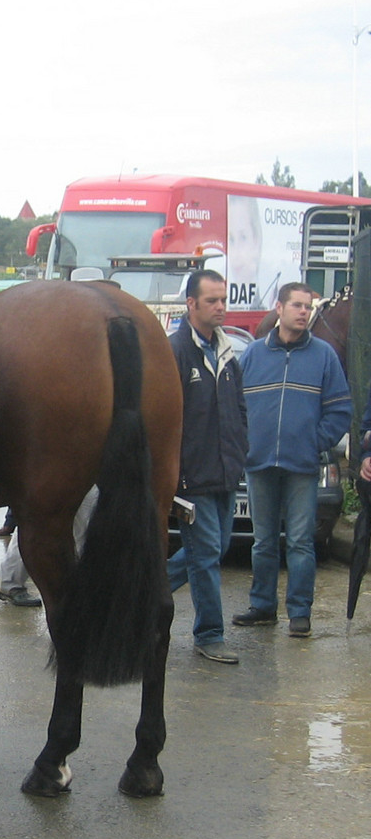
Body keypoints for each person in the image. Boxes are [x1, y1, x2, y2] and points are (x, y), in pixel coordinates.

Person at [234, 282, 351, 638]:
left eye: (308, 307)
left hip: (302, 467)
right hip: (259, 464)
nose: (304, 312)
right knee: (264, 541)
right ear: (279, 308)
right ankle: (263, 606)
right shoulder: (252, 356)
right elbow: (235, 408)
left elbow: (339, 410)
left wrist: (313, 443)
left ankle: (300, 613)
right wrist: (247, 444)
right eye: (297, 305)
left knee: (301, 541)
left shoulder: (324, 357)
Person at [166, 269, 248, 663]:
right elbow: (165, 419)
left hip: (226, 473)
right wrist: (176, 475)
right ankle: (209, 634)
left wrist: (240, 452)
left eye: (223, 299)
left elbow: (239, 408)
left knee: (213, 549)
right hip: (193, 477)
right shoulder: (176, 352)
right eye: (212, 300)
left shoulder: (228, 351)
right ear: (191, 304)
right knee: (206, 554)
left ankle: (143, 591)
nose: (221, 307)